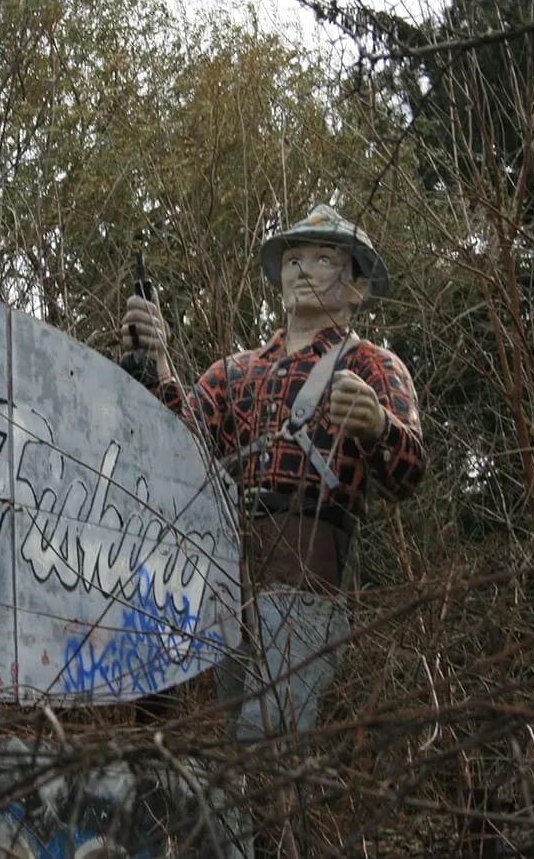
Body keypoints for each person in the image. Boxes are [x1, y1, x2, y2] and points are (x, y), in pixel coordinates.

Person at [120, 203, 427, 748]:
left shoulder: (372, 367)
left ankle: (265, 831)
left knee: (265, 745)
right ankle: (257, 834)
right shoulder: (235, 372)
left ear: (355, 287)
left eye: (325, 257)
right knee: (242, 746)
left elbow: (407, 473)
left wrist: (379, 426)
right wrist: (159, 363)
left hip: (309, 586)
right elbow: (178, 453)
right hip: (230, 590)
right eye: (293, 258)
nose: (303, 267)